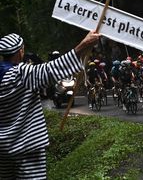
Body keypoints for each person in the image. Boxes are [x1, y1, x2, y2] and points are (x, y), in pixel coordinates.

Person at [0, 31, 99, 179]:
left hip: (3, 149)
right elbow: (50, 70)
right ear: (21, 51)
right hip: (27, 147)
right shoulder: (20, 74)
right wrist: (83, 45)